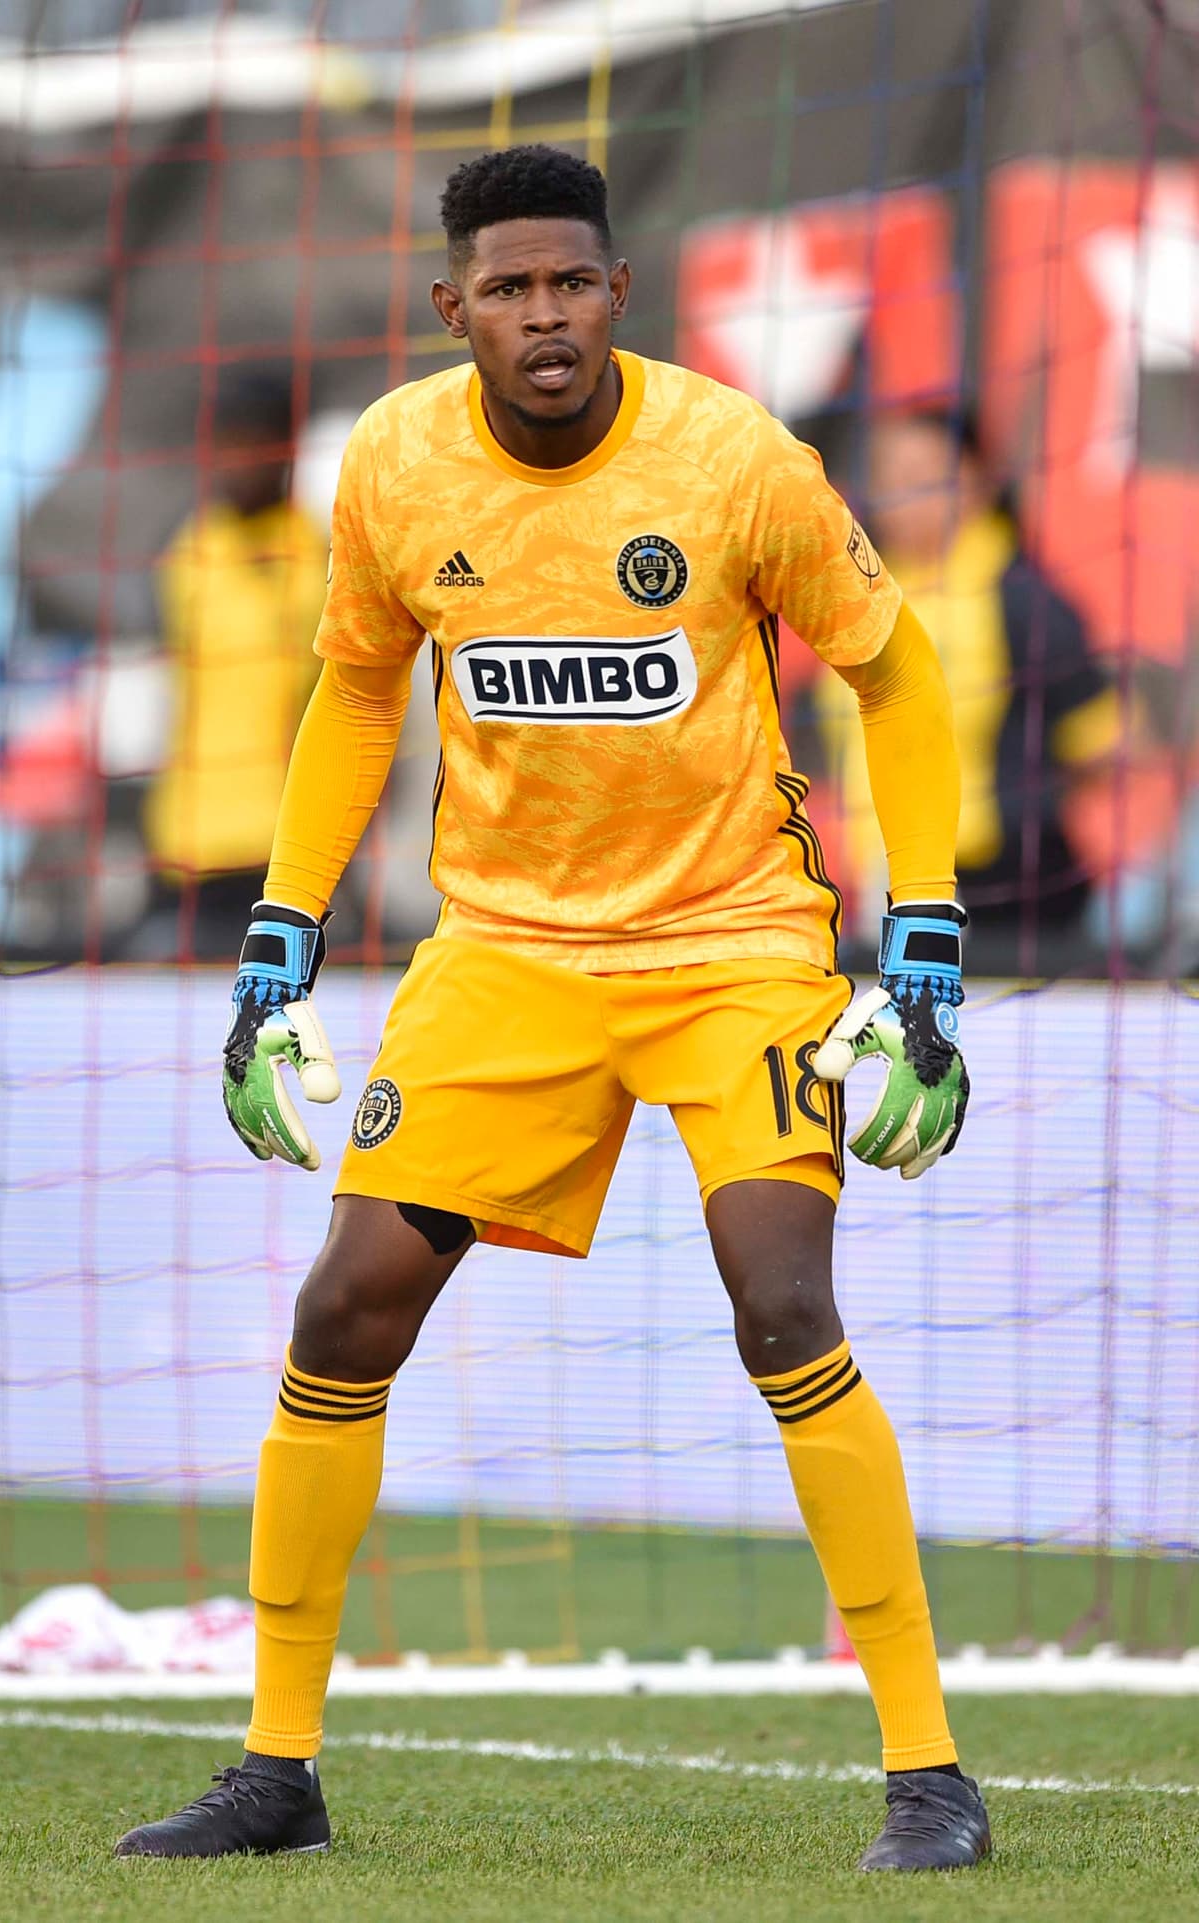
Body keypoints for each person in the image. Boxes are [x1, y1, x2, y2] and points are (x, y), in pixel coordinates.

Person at [115, 145, 988, 1873]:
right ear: (456, 308)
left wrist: (929, 944)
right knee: (343, 1311)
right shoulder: (394, 462)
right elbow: (355, 690)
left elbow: (895, 675)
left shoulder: (735, 459)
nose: (546, 315)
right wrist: (281, 935)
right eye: (510, 288)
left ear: (618, 292)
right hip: (505, 951)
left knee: (782, 1304)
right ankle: (277, 1767)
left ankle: (929, 1771)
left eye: (572, 282)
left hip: (734, 941)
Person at [814, 406, 1128, 974]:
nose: (900, 496)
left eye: (921, 476)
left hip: (1007, 890)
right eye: (886, 476)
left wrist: (1022, 786)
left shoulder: (1021, 595)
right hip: (887, 877)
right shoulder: (862, 590)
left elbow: (1105, 743)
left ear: (975, 482)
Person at [139, 367, 326, 957]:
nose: (236, 460)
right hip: (185, 843)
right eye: (226, 442)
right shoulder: (189, 552)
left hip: (285, 848)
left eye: (252, 442)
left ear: (285, 446)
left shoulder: (320, 555)